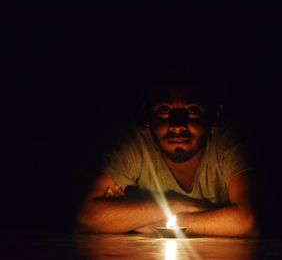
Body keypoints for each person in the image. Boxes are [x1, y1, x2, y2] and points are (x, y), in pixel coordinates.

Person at [76, 73, 258, 237]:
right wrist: (175, 205)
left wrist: (138, 219)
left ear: (215, 116)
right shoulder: (136, 146)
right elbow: (87, 217)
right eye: (164, 110)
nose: (177, 125)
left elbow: (247, 222)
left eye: (192, 110)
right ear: (147, 115)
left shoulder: (225, 145)